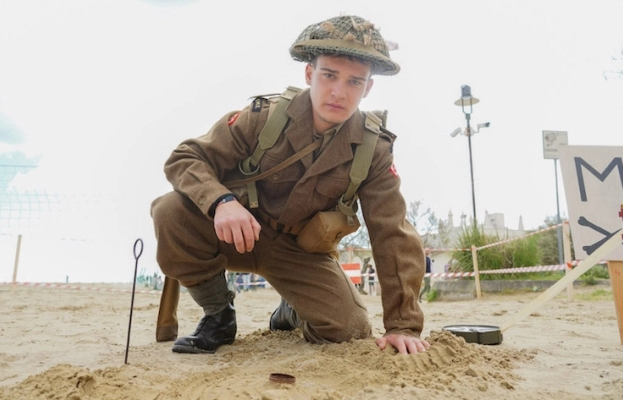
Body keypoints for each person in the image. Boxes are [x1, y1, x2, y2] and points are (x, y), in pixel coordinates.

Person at [151, 15, 428, 355]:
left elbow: (392, 233)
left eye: (355, 82)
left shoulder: (374, 149)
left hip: (300, 252)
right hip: (238, 233)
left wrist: (403, 325)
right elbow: (185, 157)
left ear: (368, 88)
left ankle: (291, 310)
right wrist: (221, 201)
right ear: (310, 74)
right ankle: (218, 315)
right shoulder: (263, 117)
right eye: (329, 76)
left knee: (349, 329)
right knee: (170, 211)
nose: (339, 92)